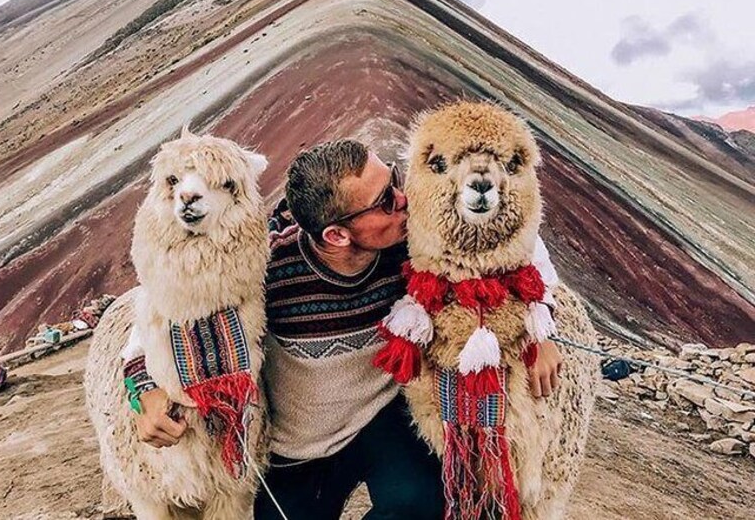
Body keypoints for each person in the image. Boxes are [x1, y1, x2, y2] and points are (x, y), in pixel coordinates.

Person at [126, 139, 564, 519]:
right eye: (385, 201)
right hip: (297, 447)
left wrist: (542, 328)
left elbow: (516, 237)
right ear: (336, 236)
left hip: (383, 422)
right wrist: (144, 391)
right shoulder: (265, 269)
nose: (402, 199)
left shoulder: (410, 243)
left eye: (393, 180)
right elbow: (164, 314)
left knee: (424, 504)